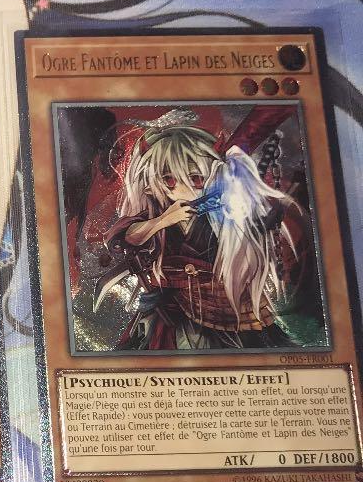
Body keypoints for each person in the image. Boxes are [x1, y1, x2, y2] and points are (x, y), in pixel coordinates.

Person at [103, 116, 298, 351]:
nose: (184, 187)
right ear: (151, 186)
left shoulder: (223, 213)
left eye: (195, 178)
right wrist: (164, 220)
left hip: (227, 312)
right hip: (173, 316)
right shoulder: (154, 217)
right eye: (170, 179)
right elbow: (124, 238)